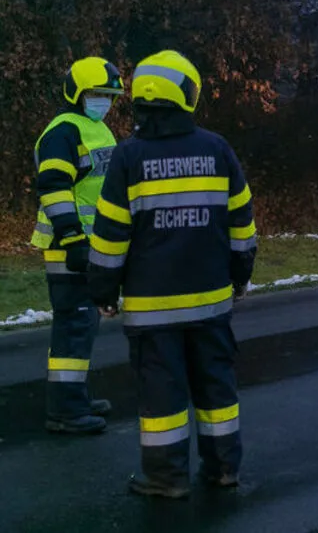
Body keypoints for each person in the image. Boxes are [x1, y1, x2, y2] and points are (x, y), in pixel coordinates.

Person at [87, 50, 257, 498]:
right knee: (217, 389)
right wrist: (241, 276)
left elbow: (109, 237)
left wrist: (103, 290)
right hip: (211, 303)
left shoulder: (128, 157)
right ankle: (224, 470)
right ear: (185, 94)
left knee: (162, 396)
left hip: (152, 310)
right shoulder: (217, 149)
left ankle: (165, 479)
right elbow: (242, 225)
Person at [30, 57, 124, 434]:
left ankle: (75, 398)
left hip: (87, 243)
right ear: (77, 92)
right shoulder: (63, 132)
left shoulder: (95, 129)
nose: (104, 101)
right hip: (68, 245)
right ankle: (66, 411)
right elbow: (53, 188)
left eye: (109, 95)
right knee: (73, 323)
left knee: (82, 324)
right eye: (97, 94)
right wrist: (72, 237)